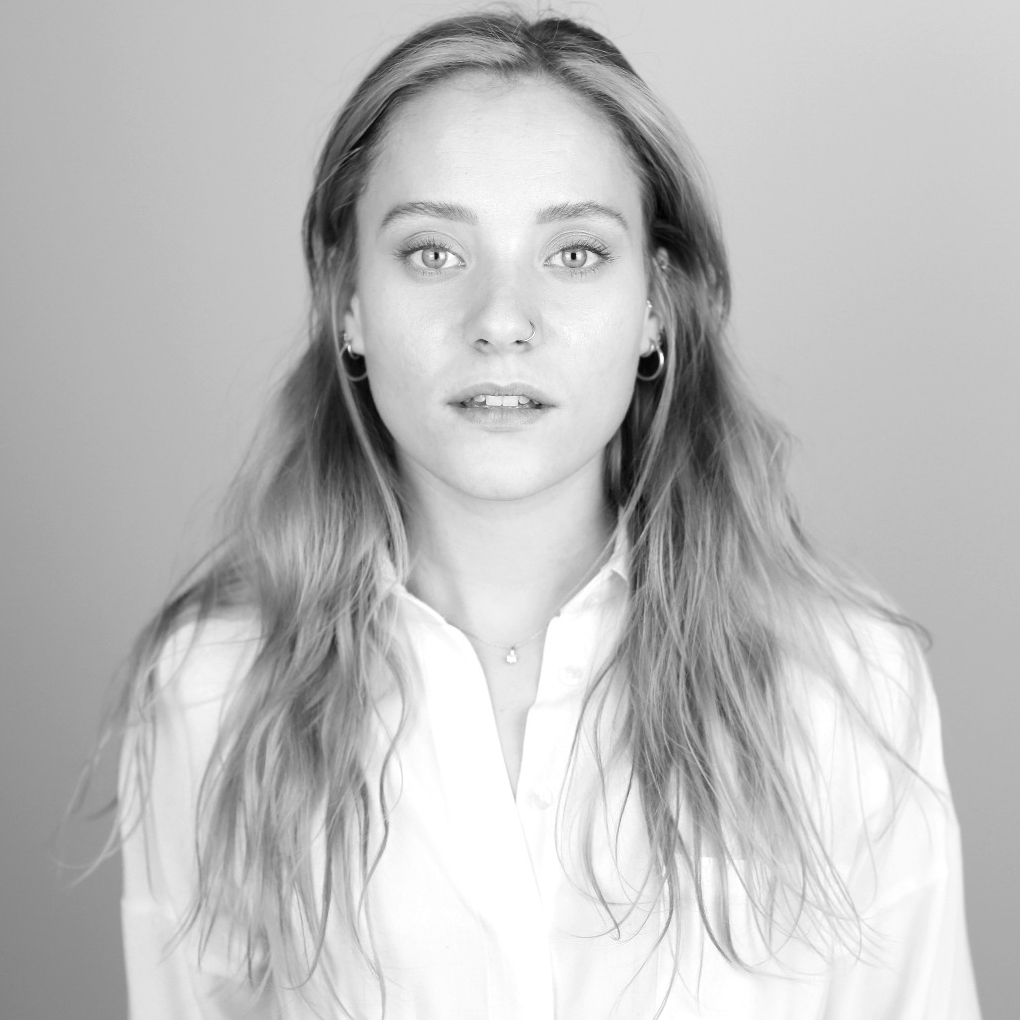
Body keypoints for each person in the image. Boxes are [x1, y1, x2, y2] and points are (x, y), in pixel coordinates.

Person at [105, 11, 980, 1019]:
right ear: (348, 302)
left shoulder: (845, 684)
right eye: (433, 252)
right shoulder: (209, 691)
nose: (500, 321)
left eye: (573, 253)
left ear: (654, 306)